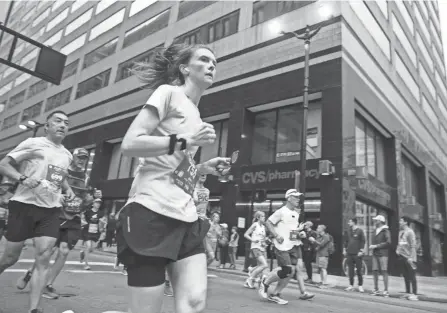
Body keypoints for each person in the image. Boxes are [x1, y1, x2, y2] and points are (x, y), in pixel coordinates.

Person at [103, 42, 230, 313]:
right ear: (185, 68)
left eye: (214, 63)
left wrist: (204, 167)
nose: (211, 66)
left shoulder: (197, 113)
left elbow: (179, 169)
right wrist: (186, 140)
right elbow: (130, 143)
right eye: (205, 60)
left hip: (185, 215)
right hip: (151, 210)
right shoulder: (168, 93)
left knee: (194, 303)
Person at [0, 111, 75, 313]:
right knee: (9, 258)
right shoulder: (33, 143)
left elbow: (60, 177)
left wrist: (68, 190)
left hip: (50, 209)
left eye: (66, 123)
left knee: (43, 256)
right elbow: (5, 165)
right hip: (23, 205)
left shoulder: (66, 154)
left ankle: (34, 309)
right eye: (57, 121)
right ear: (47, 126)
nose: (62, 125)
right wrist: (23, 179)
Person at [15, 149, 102, 299]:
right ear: (72, 158)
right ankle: (31, 272)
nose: (82, 160)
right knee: (48, 251)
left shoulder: (86, 178)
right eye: (79, 157)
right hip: (56, 215)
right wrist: (58, 195)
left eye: (84, 158)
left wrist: (92, 198)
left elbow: (85, 201)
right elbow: (46, 188)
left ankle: (47, 285)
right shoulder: (61, 172)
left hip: (74, 218)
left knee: (64, 250)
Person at [258, 189, 314, 305]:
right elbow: (268, 222)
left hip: (292, 245)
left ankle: (275, 294)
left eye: (299, 197)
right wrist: (276, 235)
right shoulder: (281, 211)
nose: (298, 199)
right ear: (289, 198)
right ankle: (265, 282)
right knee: (287, 270)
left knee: (292, 271)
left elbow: (291, 232)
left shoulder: (295, 213)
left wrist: (299, 234)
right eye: (296, 197)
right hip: (282, 246)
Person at [244, 211, 268, 288]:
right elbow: (246, 234)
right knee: (264, 265)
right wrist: (253, 240)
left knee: (261, 265)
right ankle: (250, 279)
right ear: (258, 217)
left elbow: (263, 239)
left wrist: (265, 243)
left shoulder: (263, 227)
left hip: (262, 248)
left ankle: (252, 270)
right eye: (263, 216)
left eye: (264, 216)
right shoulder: (255, 225)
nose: (264, 218)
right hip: (256, 247)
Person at [396, 217, 418, 301]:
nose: (399, 222)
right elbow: (400, 243)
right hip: (402, 256)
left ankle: (414, 294)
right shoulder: (401, 232)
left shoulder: (410, 232)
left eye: (401, 221)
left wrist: (411, 258)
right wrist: (397, 249)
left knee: (412, 276)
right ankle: (408, 292)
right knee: (405, 275)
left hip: (409, 257)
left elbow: (413, 245)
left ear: (405, 222)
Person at [369, 214, 391, 297]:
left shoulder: (385, 230)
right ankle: (376, 289)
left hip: (383, 254)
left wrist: (376, 246)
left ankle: (386, 290)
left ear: (381, 221)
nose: (375, 221)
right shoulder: (375, 230)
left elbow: (388, 242)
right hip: (375, 253)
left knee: (384, 271)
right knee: (375, 271)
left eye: (376, 220)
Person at [344, 217, 365, 293]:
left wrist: (361, 250)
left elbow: (363, 241)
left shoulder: (360, 231)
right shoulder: (348, 231)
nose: (348, 223)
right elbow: (346, 241)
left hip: (357, 253)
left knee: (359, 270)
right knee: (350, 270)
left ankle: (360, 286)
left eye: (350, 222)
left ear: (354, 222)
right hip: (349, 253)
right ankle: (351, 285)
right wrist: (344, 249)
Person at [83, 198, 103, 270]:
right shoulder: (88, 211)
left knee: (92, 249)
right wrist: (84, 224)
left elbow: (102, 222)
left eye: (99, 203)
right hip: (87, 231)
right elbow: (83, 218)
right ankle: (86, 264)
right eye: (96, 203)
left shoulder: (101, 213)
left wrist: (102, 226)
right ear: (93, 204)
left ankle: (83, 253)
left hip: (95, 232)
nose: (98, 204)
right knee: (88, 246)